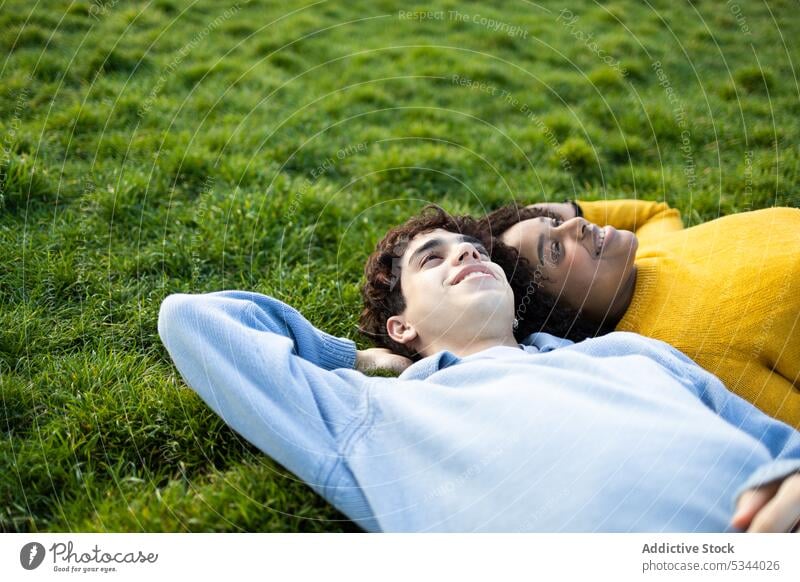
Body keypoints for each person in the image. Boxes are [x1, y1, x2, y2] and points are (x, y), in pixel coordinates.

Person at [158, 206, 800, 532]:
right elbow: (193, 319)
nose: (463, 254)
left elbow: (779, 444)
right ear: (402, 327)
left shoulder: (635, 355)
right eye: (430, 260)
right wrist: (347, 358)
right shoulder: (375, 414)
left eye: (468, 249)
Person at [481, 199, 800, 428]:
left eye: (556, 221)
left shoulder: (649, 252)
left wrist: (562, 209)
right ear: (556, 311)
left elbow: (655, 213)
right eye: (555, 249)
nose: (575, 226)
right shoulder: (688, 357)